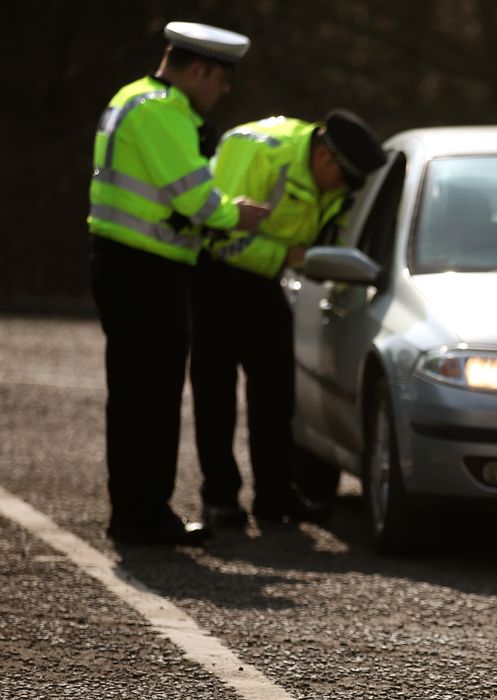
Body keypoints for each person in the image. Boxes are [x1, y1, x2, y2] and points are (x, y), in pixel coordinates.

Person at [88, 21, 269, 546]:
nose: (225, 90)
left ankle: (137, 511)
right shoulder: (162, 111)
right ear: (199, 69)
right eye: (221, 79)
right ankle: (143, 515)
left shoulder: (136, 98)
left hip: (130, 264)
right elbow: (194, 198)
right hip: (144, 270)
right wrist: (236, 215)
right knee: (151, 396)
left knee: (135, 394)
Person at [191, 110, 387, 527]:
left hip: (266, 278)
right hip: (213, 273)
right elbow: (219, 236)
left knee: (276, 389)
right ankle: (220, 498)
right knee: (216, 389)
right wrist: (290, 257)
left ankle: (275, 497)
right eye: (341, 179)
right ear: (323, 158)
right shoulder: (258, 151)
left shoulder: (335, 180)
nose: (339, 190)